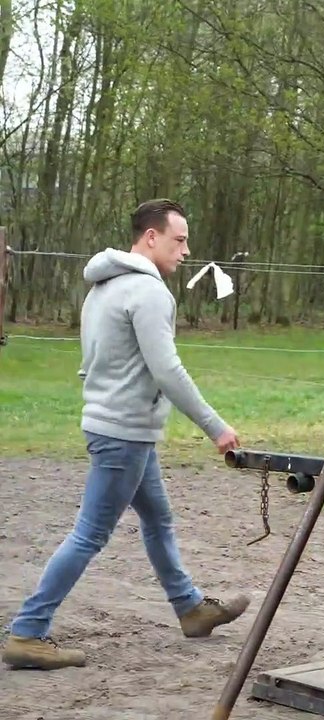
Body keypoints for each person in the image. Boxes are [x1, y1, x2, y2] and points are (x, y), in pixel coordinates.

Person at [3, 199, 252, 671]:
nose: (186, 250)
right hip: (125, 434)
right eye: (179, 240)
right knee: (90, 534)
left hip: (111, 425)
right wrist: (214, 426)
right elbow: (167, 370)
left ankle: (191, 608)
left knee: (158, 520)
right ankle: (28, 631)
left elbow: (94, 359)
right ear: (151, 237)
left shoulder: (103, 286)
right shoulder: (150, 292)